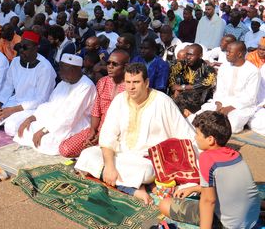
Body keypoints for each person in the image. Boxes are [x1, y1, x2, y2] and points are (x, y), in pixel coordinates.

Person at [74, 63, 196, 205]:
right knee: (87, 155)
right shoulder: (120, 99)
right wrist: (109, 166)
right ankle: (134, 188)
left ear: (146, 83)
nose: (131, 87)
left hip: (146, 160)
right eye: (128, 82)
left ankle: (132, 187)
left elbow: (185, 135)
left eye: (136, 82)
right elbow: (108, 136)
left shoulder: (163, 102)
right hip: (120, 154)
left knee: (143, 171)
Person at [159, 111, 260, 229]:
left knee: (165, 204)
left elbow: (208, 201)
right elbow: (225, 186)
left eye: (197, 134)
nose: (195, 137)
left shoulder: (207, 158)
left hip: (230, 225)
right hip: (252, 217)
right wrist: (194, 188)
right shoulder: (235, 155)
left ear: (210, 139)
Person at [0, 30, 56, 135]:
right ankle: (8, 118)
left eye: (25, 48)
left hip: (34, 108)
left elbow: (41, 99)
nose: (21, 50)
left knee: (10, 128)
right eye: (20, 46)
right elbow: (8, 86)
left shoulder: (45, 68)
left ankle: (11, 120)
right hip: (15, 101)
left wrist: (13, 110)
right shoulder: (15, 62)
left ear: (36, 48)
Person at [13, 53, 97, 155]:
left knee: (46, 142)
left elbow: (70, 117)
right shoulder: (63, 83)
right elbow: (49, 105)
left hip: (74, 124)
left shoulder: (86, 86)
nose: (60, 72)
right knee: (25, 129)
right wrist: (32, 118)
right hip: (54, 120)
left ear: (74, 70)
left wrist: (44, 131)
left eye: (63, 70)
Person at [59, 50, 129, 158]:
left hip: (120, 133)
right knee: (65, 149)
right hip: (99, 128)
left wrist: (104, 135)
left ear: (126, 66)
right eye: (108, 63)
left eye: (114, 64)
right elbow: (96, 111)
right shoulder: (103, 82)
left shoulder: (131, 86)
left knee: (105, 156)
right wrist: (92, 131)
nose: (110, 66)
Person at [196, 41, 260, 133]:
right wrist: (219, 105)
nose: (227, 54)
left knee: (232, 125)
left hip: (240, 106)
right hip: (221, 103)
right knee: (201, 115)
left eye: (230, 52)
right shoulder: (224, 67)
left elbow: (250, 97)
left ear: (239, 54)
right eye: (227, 51)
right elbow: (219, 90)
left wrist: (228, 109)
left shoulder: (253, 71)